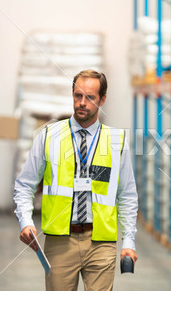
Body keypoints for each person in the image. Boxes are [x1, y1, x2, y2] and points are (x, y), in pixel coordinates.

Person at [13, 69, 138, 291]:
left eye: (90, 97)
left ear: (102, 99)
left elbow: (126, 195)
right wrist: (26, 221)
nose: (82, 103)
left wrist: (128, 242)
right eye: (77, 96)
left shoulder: (116, 141)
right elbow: (25, 185)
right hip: (60, 241)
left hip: (101, 242)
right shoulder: (49, 136)